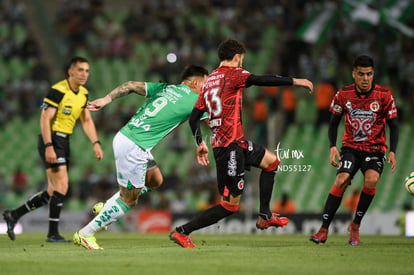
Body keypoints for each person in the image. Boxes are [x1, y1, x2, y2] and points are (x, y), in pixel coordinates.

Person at [169, 38, 313, 248]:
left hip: (236, 143)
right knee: (229, 207)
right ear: (237, 57)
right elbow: (261, 80)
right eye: (242, 59)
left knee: (272, 162)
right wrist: (295, 81)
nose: (242, 63)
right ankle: (182, 232)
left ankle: (264, 214)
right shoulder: (234, 74)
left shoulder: (208, 82)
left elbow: (193, 118)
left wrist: (200, 142)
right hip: (229, 149)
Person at [73, 64, 208, 250]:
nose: (206, 88)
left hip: (127, 138)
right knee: (130, 200)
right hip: (134, 146)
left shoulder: (165, 88)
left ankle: (107, 206)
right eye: (205, 83)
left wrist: (106, 99)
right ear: (195, 82)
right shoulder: (195, 100)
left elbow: (129, 85)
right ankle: (85, 234)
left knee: (155, 180)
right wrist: (202, 141)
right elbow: (212, 120)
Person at [3, 57, 104, 242]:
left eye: (87, 71)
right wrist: (49, 146)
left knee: (52, 191)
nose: (84, 74)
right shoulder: (58, 90)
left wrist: (96, 143)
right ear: (70, 72)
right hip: (52, 139)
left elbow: (87, 120)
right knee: (62, 186)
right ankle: (52, 234)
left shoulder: (83, 93)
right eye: (80, 70)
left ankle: (14, 215)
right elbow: (45, 118)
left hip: (65, 141)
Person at [310, 55, 399, 246]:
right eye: (361, 74)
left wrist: (393, 150)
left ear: (373, 74)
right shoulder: (343, 94)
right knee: (341, 179)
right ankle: (323, 229)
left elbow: (394, 125)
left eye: (369, 74)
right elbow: (333, 123)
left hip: (375, 149)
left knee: (372, 179)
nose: (365, 78)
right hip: (350, 147)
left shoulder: (384, 95)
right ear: (354, 74)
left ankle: (355, 226)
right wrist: (332, 146)